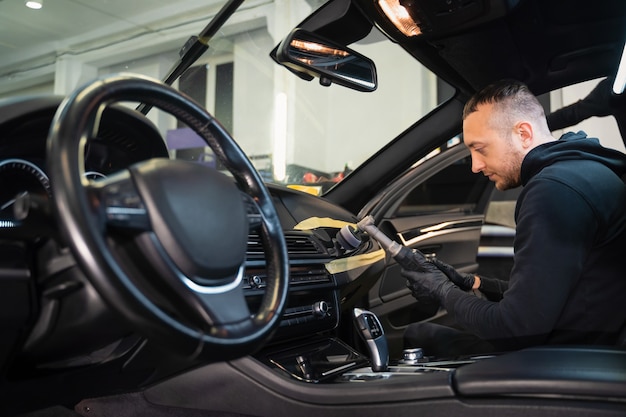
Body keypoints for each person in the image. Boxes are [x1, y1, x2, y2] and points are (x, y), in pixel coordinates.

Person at [402, 79, 626, 358]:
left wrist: (441, 291)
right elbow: (547, 293)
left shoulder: (553, 191)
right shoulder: (583, 170)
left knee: (417, 336)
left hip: (566, 362)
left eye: (480, 148)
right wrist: (472, 283)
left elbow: (515, 329)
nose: (475, 166)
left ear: (523, 133)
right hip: (590, 345)